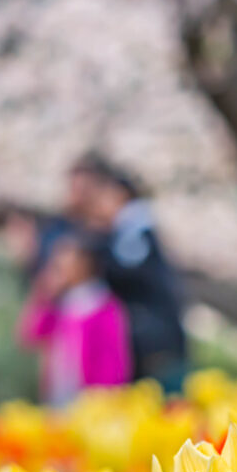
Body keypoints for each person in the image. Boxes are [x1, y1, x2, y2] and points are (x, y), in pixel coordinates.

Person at [69, 153, 188, 392]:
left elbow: (129, 273)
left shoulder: (135, 230)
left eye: (102, 197)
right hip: (145, 343)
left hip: (157, 345)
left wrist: (98, 238)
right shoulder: (124, 232)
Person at [17, 234, 133, 405]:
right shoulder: (61, 306)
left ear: (85, 264)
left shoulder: (103, 306)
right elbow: (29, 336)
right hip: (59, 399)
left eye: (65, 260)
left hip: (94, 404)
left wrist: (106, 401)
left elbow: (113, 364)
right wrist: (42, 293)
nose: (58, 266)